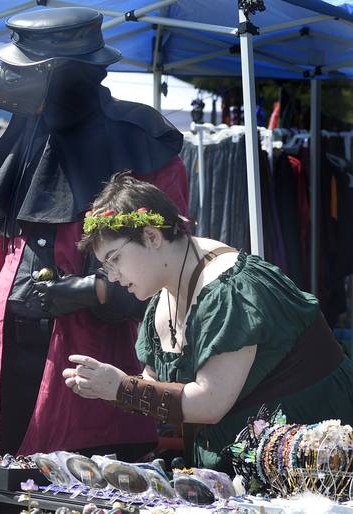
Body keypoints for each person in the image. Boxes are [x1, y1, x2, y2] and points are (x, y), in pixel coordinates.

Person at [0, 6, 188, 459]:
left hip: (90, 363)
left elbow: (168, 265)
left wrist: (93, 290)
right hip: (0, 359)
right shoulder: (21, 142)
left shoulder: (142, 145)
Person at [63, 172, 353, 471]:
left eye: (115, 259)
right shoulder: (163, 296)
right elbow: (156, 387)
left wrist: (122, 389)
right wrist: (105, 385)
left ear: (152, 236)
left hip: (312, 453)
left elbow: (209, 403)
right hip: (251, 457)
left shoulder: (230, 288)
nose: (111, 276)